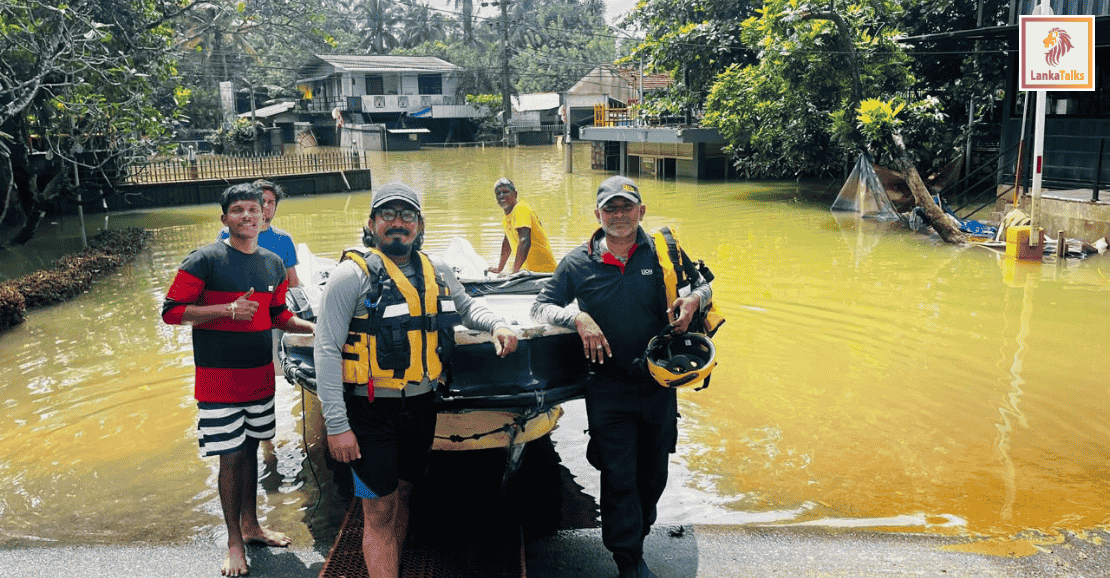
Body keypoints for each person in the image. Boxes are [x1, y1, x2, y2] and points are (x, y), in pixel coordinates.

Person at [313, 182, 519, 578]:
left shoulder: (436, 270)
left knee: (403, 492)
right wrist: (337, 426)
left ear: (419, 224)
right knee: (377, 509)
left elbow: (467, 307)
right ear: (371, 223)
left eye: (407, 215)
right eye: (388, 214)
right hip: (370, 411)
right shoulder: (349, 276)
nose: (398, 222)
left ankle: (393, 564)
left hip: (421, 407)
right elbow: (325, 351)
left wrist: (496, 324)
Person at [531, 176, 713, 578]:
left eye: (626, 207)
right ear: (597, 215)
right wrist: (577, 317)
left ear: (641, 211)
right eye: (610, 208)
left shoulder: (664, 252)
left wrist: (693, 299)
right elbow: (540, 306)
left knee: (654, 474)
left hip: (659, 382)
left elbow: (705, 285)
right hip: (607, 387)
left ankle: (639, 531)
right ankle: (628, 559)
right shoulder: (577, 263)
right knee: (619, 476)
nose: (619, 215)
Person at [162, 182, 315, 577]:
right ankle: (234, 542)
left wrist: (316, 329)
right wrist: (226, 309)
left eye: (254, 209)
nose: (247, 215)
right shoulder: (205, 260)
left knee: (249, 452)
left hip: (259, 377)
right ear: (225, 218)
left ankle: (253, 527)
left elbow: (278, 315)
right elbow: (171, 311)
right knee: (229, 456)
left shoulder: (273, 263)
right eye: (238, 210)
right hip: (218, 380)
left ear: (264, 215)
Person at [218, 179, 300, 288]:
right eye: (262, 201)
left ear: (275, 207)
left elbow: (293, 282)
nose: (266, 206)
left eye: (271, 202)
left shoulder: (284, 239)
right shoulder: (227, 233)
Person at [487, 177, 558, 275]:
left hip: (544, 273)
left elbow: (525, 241)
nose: (501, 196)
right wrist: (499, 268)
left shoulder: (521, 209)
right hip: (528, 273)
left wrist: (513, 273)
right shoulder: (506, 218)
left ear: (515, 194)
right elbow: (507, 243)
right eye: (498, 193)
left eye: (506, 192)